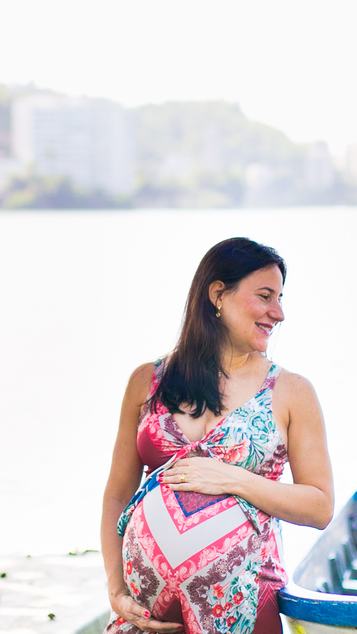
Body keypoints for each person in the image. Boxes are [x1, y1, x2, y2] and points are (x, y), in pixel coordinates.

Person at [101, 237, 334, 634]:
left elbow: (320, 506)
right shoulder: (146, 381)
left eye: (280, 298)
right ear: (218, 295)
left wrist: (234, 479)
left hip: (244, 610)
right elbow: (117, 495)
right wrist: (116, 590)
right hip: (142, 616)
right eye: (265, 296)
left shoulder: (291, 391)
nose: (278, 313)